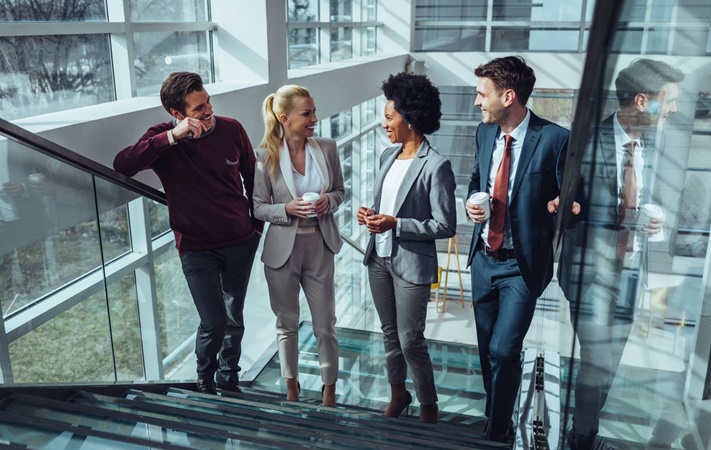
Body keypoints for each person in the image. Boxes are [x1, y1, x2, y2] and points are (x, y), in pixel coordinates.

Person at [558, 59, 684, 450]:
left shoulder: (659, 145)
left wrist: (659, 222)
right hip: (591, 274)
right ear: (643, 101)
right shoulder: (582, 144)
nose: (676, 110)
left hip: (631, 273)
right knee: (596, 360)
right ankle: (581, 436)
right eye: (670, 101)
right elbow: (562, 205)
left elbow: (662, 201)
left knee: (609, 363)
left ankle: (586, 426)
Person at [113, 72, 262, 395]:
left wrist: (256, 228)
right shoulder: (163, 139)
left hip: (240, 242)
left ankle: (228, 377)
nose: (208, 111)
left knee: (234, 317)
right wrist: (171, 138)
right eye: (198, 108)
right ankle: (205, 380)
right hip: (196, 249)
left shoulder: (232, 128)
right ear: (176, 114)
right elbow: (122, 164)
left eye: (207, 102)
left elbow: (253, 177)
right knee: (213, 322)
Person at [465, 56, 572, 442]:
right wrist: (472, 202)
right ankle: (498, 415)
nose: (478, 102)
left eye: (482, 94)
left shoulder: (556, 139)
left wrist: (564, 209)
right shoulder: (484, 133)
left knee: (505, 349)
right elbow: (477, 178)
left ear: (508, 96)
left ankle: (497, 431)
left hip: (521, 267)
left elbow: (572, 204)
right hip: (483, 259)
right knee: (486, 349)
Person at [357, 72, 456, 424]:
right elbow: (384, 203)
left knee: (410, 338)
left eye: (389, 117)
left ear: (409, 119)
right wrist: (369, 214)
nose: (385, 124)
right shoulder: (388, 156)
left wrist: (396, 224)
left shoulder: (436, 165)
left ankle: (429, 404)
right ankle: (398, 393)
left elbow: (445, 225)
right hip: (378, 258)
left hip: (411, 262)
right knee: (388, 334)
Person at [253, 85, 343, 407]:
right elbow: (258, 207)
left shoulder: (328, 148)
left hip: (320, 246)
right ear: (284, 118)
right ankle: (291, 387)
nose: (314, 119)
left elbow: (340, 193)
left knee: (325, 324)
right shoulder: (265, 156)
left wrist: (326, 202)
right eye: (307, 114)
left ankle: (329, 390)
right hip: (282, 252)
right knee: (286, 323)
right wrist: (286, 209)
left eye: (313, 111)